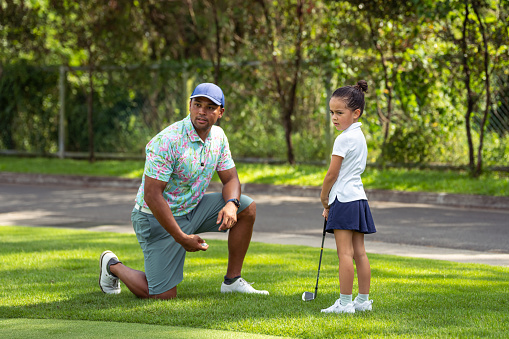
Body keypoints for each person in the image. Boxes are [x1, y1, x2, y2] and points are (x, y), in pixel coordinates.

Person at [99, 82, 269, 299]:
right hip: (155, 218)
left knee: (247, 207)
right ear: (189, 105)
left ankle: (232, 281)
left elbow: (231, 179)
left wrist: (231, 204)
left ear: (221, 112)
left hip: (193, 209)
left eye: (210, 107)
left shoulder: (218, 137)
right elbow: (152, 195)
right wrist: (181, 237)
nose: (202, 111)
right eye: (197, 104)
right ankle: (112, 265)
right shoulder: (167, 141)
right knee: (162, 295)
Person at [319, 80, 376, 314]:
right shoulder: (359, 135)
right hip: (359, 199)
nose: (334, 117)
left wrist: (324, 199)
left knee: (345, 253)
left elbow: (332, 174)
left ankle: (344, 304)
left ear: (356, 113)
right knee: (359, 252)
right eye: (332, 112)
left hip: (342, 199)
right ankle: (363, 301)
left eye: (339, 113)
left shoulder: (343, 139)